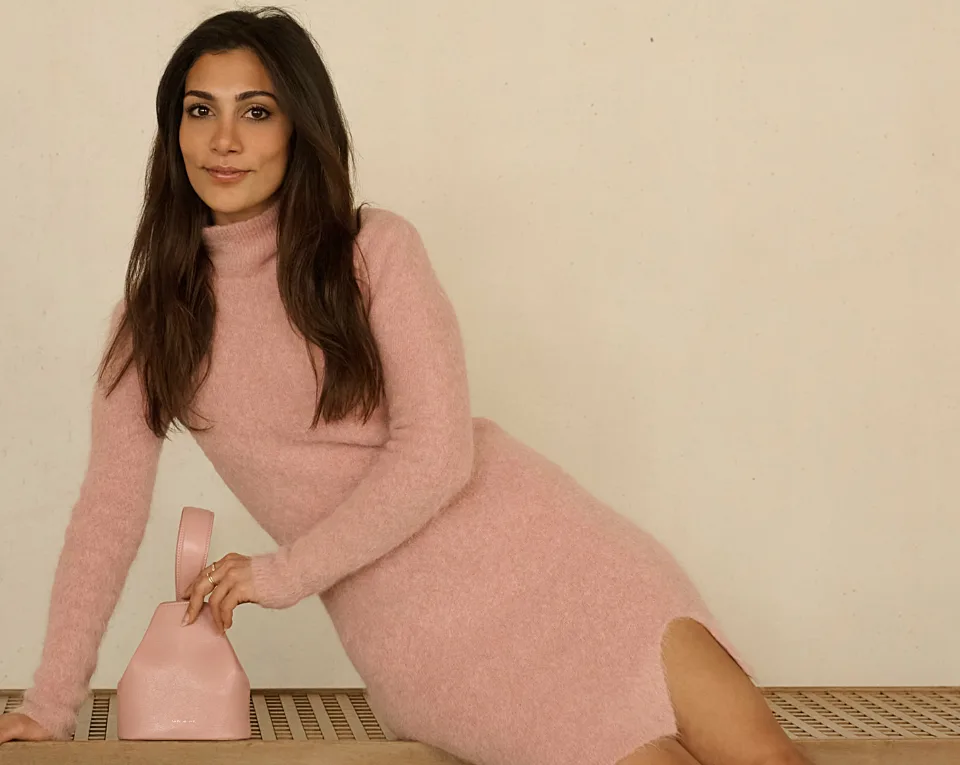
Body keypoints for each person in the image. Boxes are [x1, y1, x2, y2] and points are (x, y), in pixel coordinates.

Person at [0, 8, 811, 765]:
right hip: (429, 640)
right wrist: (51, 702)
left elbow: (438, 453)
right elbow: (106, 516)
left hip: (557, 554)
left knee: (769, 756)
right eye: (198, 109)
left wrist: (281, 572)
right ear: (172, 129)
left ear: (296, 127)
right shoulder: (152, 326)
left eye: (256, 110)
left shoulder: (373, 251)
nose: (224, 139)